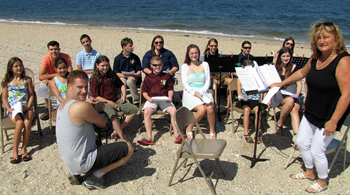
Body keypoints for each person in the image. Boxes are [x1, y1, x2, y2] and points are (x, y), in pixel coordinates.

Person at [270, 21, 350, 193]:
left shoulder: (343, 60)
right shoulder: (316, 57)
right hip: (312, 110)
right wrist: (281, 83)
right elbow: (301, 73)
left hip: (329, 115)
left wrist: (334, 121)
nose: (322, 41)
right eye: (318, 37)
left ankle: (322, 181)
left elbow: (347, 95)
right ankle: (309, 172)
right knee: (301, 142)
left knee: (317, 150)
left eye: (326, 37)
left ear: (336, 38)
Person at [56, 70, 133, 190]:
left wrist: (88, 104)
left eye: (85, 87)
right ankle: (94, 177)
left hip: (70, 161)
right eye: (79, 87)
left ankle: (74, 174)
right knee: (128, 148)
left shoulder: (62, 106)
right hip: (83, 162)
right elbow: (104, 124)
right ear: (69, 87)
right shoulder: (81, 106)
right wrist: (101, 106)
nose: (84, 91)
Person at [90, 55, 138, 141]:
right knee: (112, 114)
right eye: (102, 66)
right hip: (101, 103)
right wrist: (110, 103)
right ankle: (123, 137)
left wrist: (124, 95)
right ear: (97, 65)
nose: (105, 68)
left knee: (133, 109)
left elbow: (122, 85)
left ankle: (117, 130)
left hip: (115, 99)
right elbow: (95, 96)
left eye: (107, 65)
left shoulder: (112, 75)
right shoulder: (94, 78)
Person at [138, 56, 183, 145]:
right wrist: (148, 98)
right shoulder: (148, 78)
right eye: (155, 65)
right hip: (152, 99)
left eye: (159, 65)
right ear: (151, 65)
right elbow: (144, 91)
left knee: (173, 111)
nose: (157, 67)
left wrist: (170, 97)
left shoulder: (166, 76)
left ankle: (177, 135)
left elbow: (170, 89)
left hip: (164, 99)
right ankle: (149, 137)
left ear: (162, 65)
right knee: (147, 112)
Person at [1, 57, 34, 163]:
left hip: (25, 107)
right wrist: (8, 109)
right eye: (16, 66)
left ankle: (24, 148)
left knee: (27, 122)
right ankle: (15, 151)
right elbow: (4, 98)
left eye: (20, 65)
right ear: (11, 68)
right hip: (14, 109)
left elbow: (32, 94)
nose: (19, 68)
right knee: (19, 123)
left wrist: (29, 106)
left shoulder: (27, 80)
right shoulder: (7, 82)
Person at [181, 44, 217, 139]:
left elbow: (208, 81)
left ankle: (212, 131)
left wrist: (201, 92)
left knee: (210, 108)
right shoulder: (185, 66)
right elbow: (185, 84)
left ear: (199, 53)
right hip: (190, 92)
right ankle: (189, 127)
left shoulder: (205, 64)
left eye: (196, 53)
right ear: (188, 54)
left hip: (203, 91)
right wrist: (193, 93)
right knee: (202, 109)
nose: (194, 55)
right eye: (192, 53)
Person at [269, 47, 302, 136]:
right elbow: (271, 84)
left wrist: (297, 94)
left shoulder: (295, 67)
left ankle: (296, 136)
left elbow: (299, 84)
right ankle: (280, 123)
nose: (286, 58)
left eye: (288, 56)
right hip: (280, 93)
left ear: (291, 57)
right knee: (290, 101)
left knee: (294, 109)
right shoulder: (276, 68)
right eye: (283, 56)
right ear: (280, 57)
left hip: (292, 92)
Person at [38, 41, 73, 120]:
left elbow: (70, 72)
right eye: (51, 49)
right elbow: (40, 76)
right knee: (43, 86)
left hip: (64, 77)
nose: (53, 51)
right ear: (48, 50)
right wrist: (55, 76)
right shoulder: (46, 58)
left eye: (55, 49)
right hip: (52, 79)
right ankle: (48, 108)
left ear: (59, 49)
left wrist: (59, 75)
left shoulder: (65, 57)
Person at [236, 59, 262, 143]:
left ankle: (257, 134)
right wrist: (243, 97)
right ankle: (246, 133)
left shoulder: (256, 78)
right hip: (245, 99)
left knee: (258, 111)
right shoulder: (240, 78)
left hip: (255, 98)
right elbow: (239, 93)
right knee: (247, 110)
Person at [113, 37, 142, 104]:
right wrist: (126, 76)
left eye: (132, 45)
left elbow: (139, 71)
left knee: (130, 81)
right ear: (124, 47)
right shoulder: (118, 58)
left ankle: (136, 100)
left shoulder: (135, 57)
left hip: (134, 77)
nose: (133, 47)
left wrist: (135, 75)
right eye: (130, 46)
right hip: (122, 76)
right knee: (122, 81)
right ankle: (122, 98)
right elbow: (116, 73)